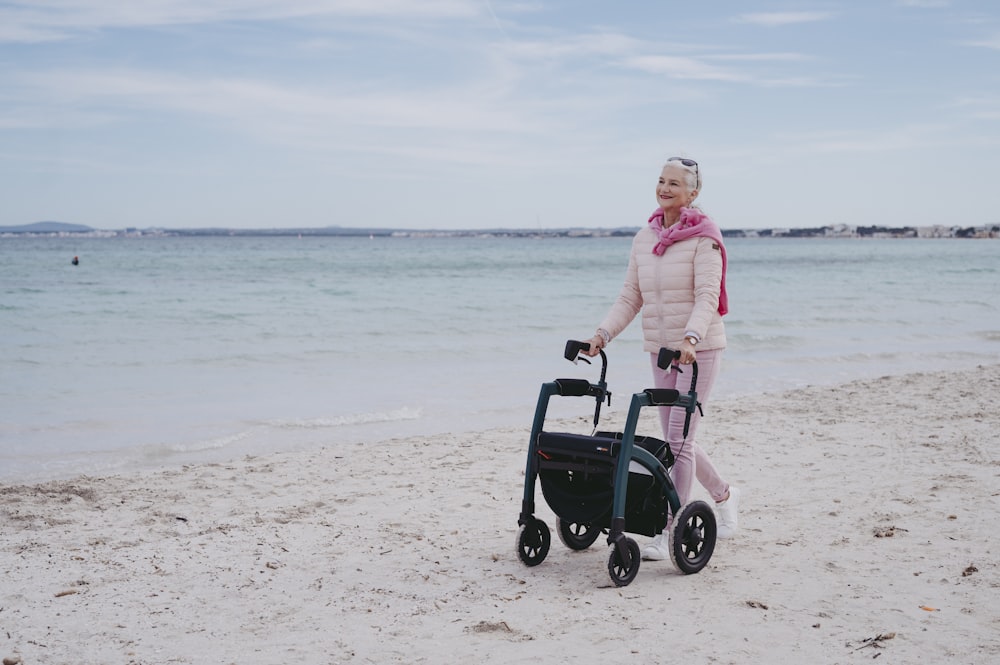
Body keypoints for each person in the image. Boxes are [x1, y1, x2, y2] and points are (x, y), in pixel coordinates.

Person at [582, 156, 740, 560]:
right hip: (660, 350)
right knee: (676, 441)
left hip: (697, 349)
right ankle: (723, 495)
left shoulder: (705, 237)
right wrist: (602, 334)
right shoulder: (644, 238)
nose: (665, 188)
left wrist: (691, 336)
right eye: (661, 181)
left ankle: (667, 527)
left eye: (675, 183)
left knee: (679, 441)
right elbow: (630, 297)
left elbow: (708, 296)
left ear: (693, 192)